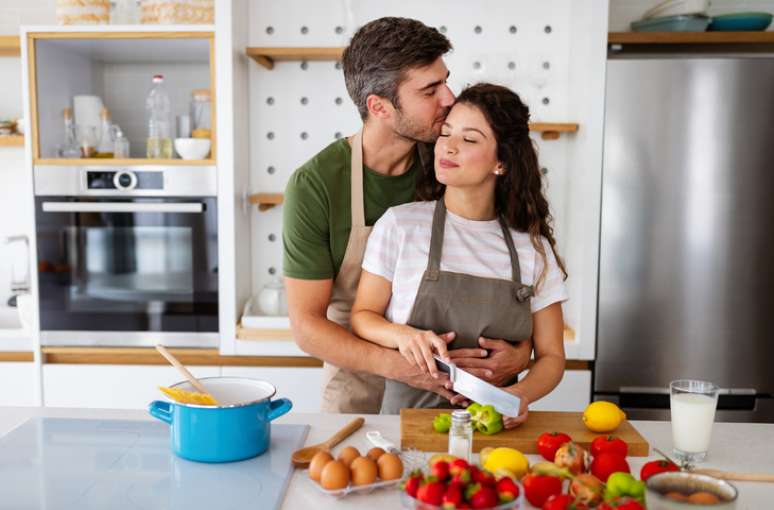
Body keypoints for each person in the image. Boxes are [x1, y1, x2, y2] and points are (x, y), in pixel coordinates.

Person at [283, 18, 533, 414]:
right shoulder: (316, 185)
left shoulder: (450, 162)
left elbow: (506, 276)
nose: (449, 98)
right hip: (357, 389)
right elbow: (307, 328)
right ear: (379, 106)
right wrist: (403, 368)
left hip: (456, 390)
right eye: (430, 90)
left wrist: (522, 355)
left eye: (445, 81)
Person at [351, 83, 568, 426]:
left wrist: (518, 395)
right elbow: (363, 315)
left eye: (469, 140)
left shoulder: (532, 249)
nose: (447, 147)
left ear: (501, 162)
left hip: (493, 429)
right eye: (446, 133)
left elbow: (553, 357)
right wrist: (403, 335)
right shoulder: (401, 225)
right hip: (404, 427)